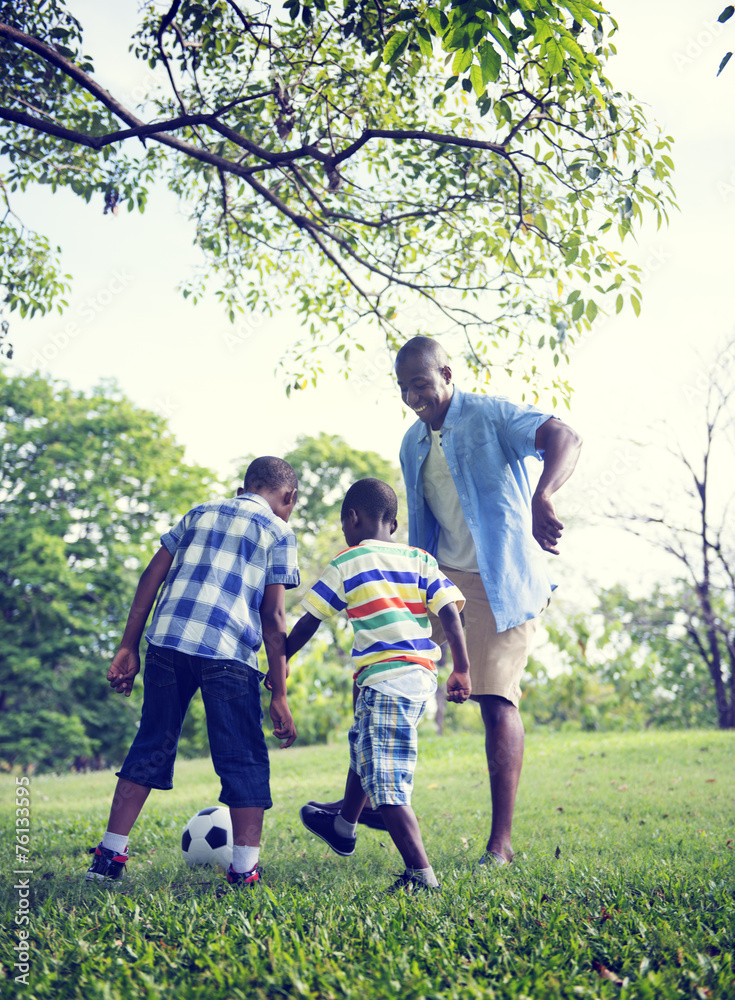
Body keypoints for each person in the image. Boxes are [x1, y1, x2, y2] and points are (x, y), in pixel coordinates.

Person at [393, 336, 582, 866]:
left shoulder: (492, 415)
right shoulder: (411, 443)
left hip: (502, 580)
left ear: (447, 374)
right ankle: (351, 810)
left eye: (421, 384)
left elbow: (564, 435)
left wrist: (543, 494)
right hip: (437, 579)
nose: (413, 396)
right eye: (404, 388)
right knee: (388, 676)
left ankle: (500, 844)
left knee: (495, 699)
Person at [85, 456, 300, 887]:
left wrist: (128, 645)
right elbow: (274, 619)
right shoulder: (279, 531)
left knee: (151, 742)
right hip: (227, 651)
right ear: (288, 498)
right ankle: (244, 871)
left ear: (243, 489)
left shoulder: (199, 513)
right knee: (242, 756)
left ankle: (108, 858)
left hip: (167, 642)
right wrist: (279, 691)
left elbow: (151, 577)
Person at [288, 478, 472, 892]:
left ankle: (421, 876)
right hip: (417, 678)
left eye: (343, 524)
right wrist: (461, 668)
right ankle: (343, 826)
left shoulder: (348, 561)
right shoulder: (419, 558)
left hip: (388, 679)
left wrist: (278, 660)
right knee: (365, 749)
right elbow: (449, 613)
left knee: (386, 784)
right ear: (392, 521)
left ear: (352, 518)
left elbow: (309, 621)